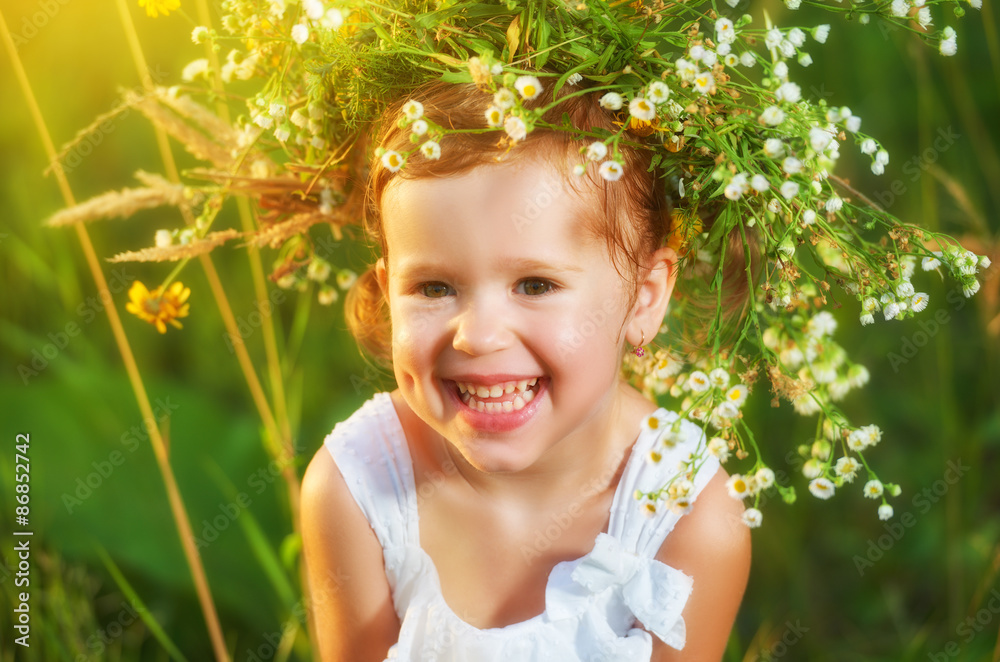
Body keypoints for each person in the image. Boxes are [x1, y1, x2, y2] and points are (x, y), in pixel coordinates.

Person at [301, 80, 752, 662]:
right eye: (434, 287)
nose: (479, 336)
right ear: (388, 293)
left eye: (535, 285)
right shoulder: (357, 490)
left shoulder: (689, 517)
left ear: (643, 298)